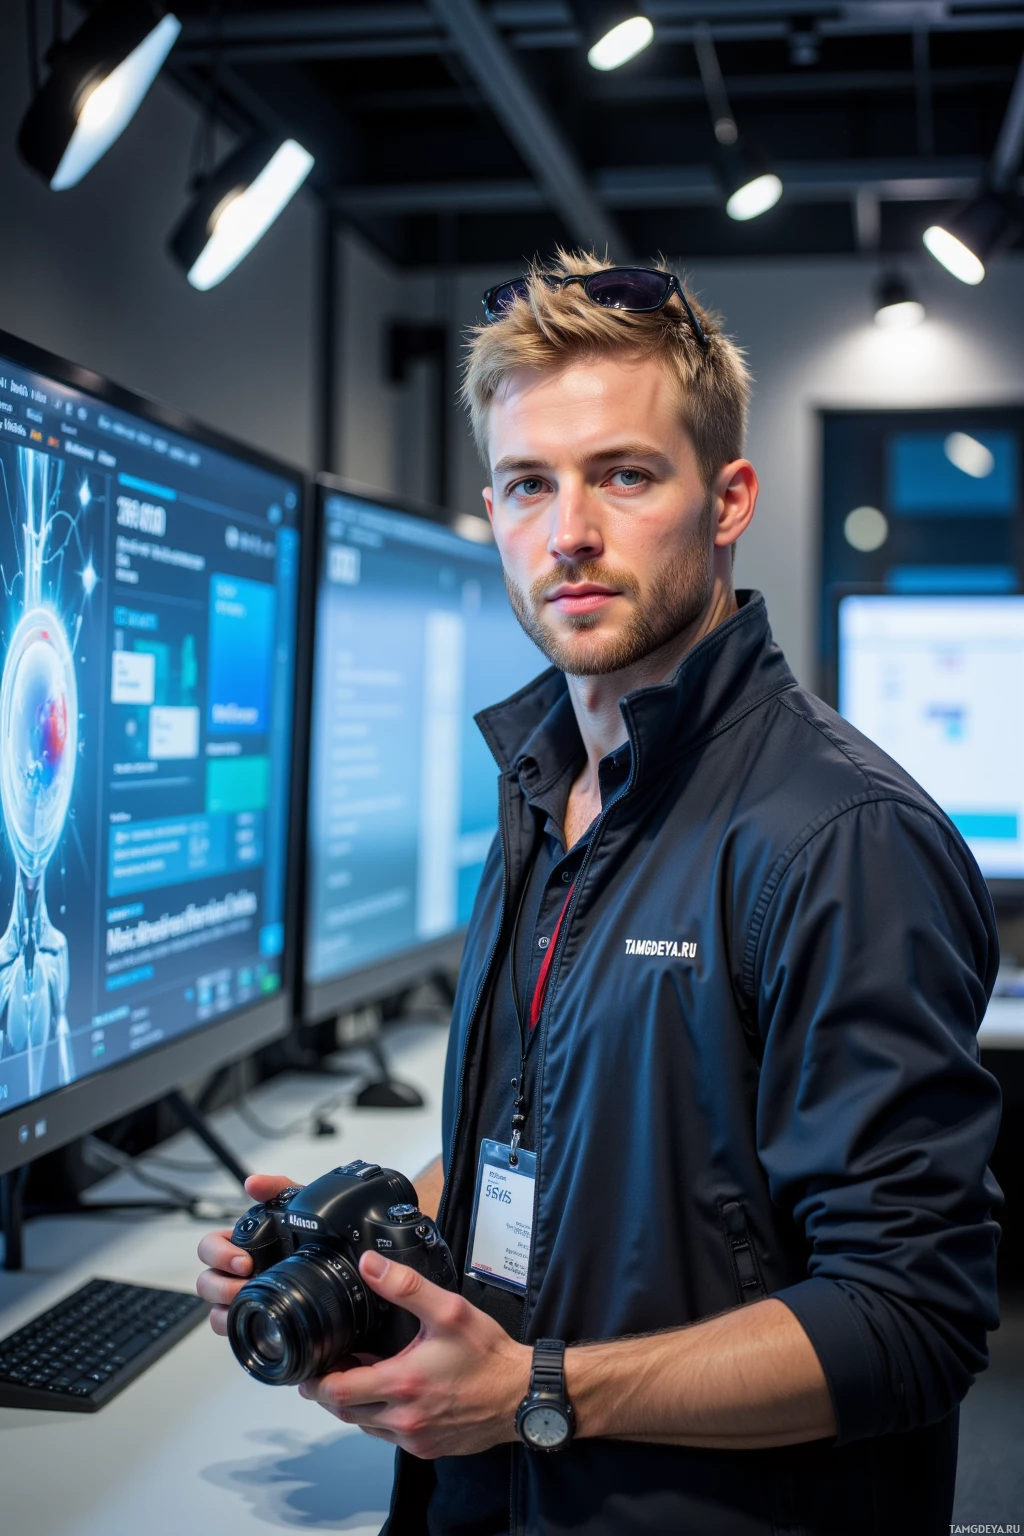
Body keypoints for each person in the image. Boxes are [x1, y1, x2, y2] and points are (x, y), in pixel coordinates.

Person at [197, 252, 1002, 1536]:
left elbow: (910, 1319)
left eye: (623, 475)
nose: (568, 530)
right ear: (495, 510)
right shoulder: (548, 791)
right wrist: (359, 1236)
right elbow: (556, 1139)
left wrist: (536, 1393)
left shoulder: (840, 837)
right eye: (529, 484)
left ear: (727, 497)